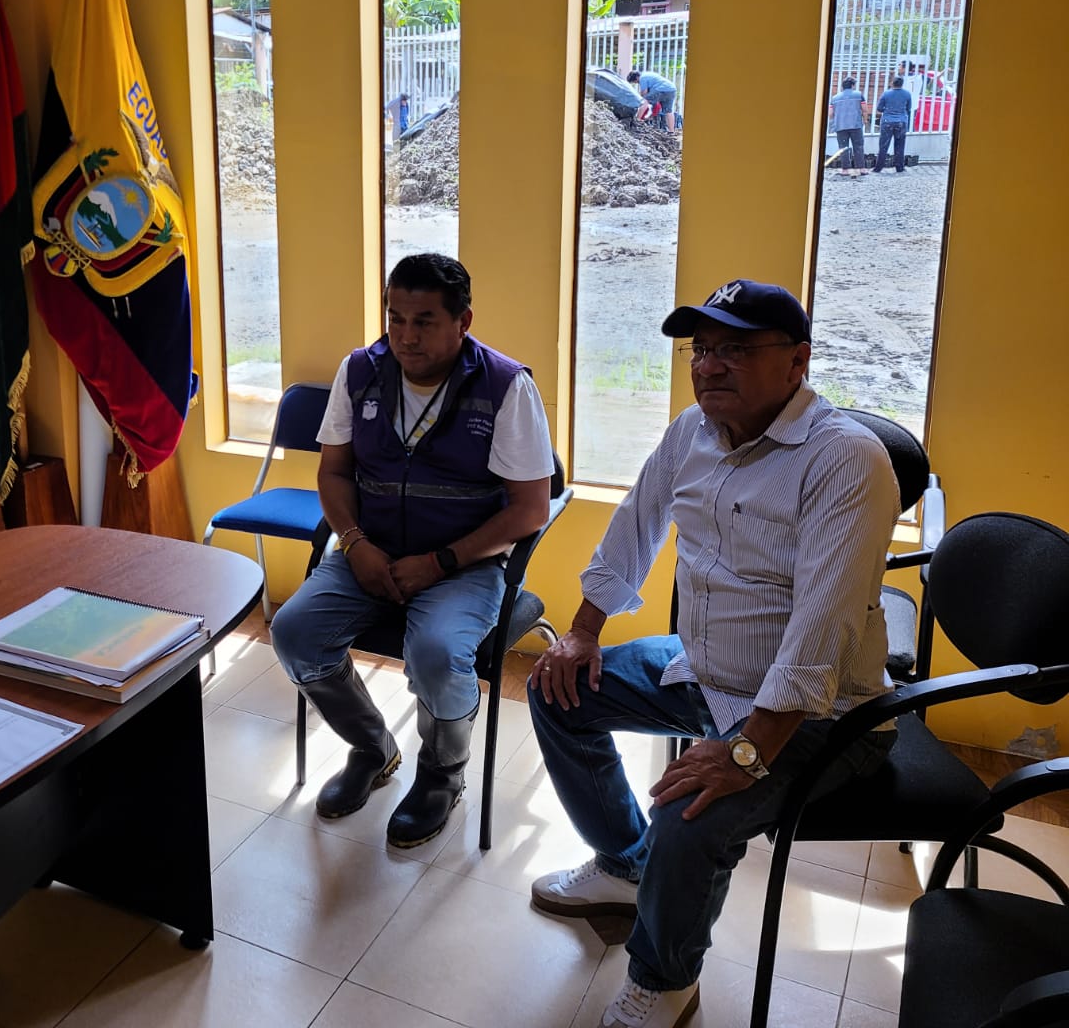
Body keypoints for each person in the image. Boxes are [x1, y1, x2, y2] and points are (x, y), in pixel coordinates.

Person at [525, 279, 900, 1028]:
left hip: (824, 713)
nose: (710, 366)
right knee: (556, 690)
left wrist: (745, 753)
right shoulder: (691, 432)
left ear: (797, 362)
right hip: (700, 668)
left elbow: (821, 628)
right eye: (701, 350)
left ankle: (664, 979)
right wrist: (583, 630)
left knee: (689, 817)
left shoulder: (846, 459)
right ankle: (626, 867)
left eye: (736, 349)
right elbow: (633, 528)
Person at [271, 253, 553, 848]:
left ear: (463, 321)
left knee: (436, 656)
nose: (405, 336)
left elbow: (530, 509)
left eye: (424, 321)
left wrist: (440, 562)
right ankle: (372, 748)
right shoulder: (360, 371)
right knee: (293, 632)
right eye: (395, 318)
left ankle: (441, 775)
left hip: (464, 565)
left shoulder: (506, 387)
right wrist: (355, 544)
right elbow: (334, 473)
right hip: (369, 550)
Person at [827, 77, 869, 175]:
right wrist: (865, 120)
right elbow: (865, 110)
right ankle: (861, 169)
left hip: (840, 126)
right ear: (853, 85)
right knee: (858, 146)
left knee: (843, 147)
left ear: (842, 86)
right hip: (856, 125)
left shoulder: (835, 98)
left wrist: (836, 121)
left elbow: (830, 113)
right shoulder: (858, 95)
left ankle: (845, 170)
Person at [873, 75, 914, 174]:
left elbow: (879, 108)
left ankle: (878, 168)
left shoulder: (886, 93)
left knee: (883, 145)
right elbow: (909, 108)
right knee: (900, 145)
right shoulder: (907, 94)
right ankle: (899, 168)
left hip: (887, 121)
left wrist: (887, 110)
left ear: (892, 83)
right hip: (901, 122)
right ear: (902, 84)